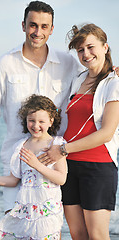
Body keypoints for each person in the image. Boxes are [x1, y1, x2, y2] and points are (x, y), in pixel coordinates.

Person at [0, 1, 82, 214]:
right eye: (33, 25)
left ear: (51, 29)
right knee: (14, 223)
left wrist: (111, 73)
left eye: (44, 26)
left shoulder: (68, 63)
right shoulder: (5, 63)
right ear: (23, 25)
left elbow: (89, 84)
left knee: (47, 228)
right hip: (16, 161)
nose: (38, 32)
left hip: (54, 162)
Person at [40, 23, 119, 240]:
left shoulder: (114, 83)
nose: (86, 54)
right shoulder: (78, 80)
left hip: (98, 168)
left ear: (105, 47)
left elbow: (107, 133)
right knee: (77, 235)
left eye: (91, 47)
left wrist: (62, 149)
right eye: (80, 50)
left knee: (97, 236)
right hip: (68, 167)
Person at [0, 94, 67, 240]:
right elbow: (13, 180)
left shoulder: (57, 144)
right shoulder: (20, 146)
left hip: (48, 209)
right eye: (31, 120)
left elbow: (61, 179)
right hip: (25, 210)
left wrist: (37, 165)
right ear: (25, 120)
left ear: (51, 121)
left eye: (41, 121)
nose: (35, 125)